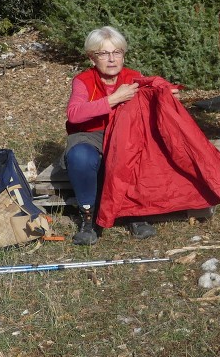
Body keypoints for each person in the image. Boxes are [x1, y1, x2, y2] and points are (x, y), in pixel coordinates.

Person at [63, 27, 158, 244]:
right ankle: (88, 219)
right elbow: (74, 114)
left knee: (140, 151)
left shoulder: (134, 77)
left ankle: (135, 213)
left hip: (125, 134)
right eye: (104, 54)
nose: (112, 59)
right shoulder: (83, 80)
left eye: (117, 52)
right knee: (80, 157)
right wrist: (113, 99)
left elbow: (153, 100)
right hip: (90, 135)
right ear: (92, 57)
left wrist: (167, 95)